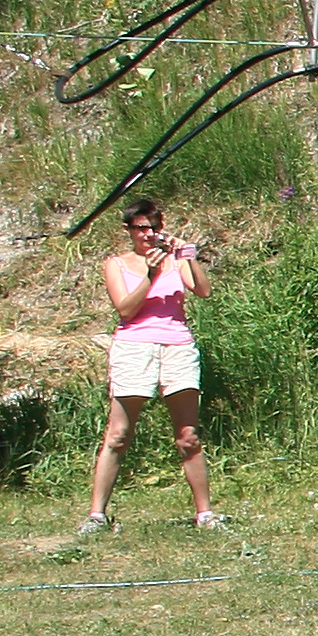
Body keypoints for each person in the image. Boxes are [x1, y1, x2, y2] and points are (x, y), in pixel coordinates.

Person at [84, 199, 219, 532]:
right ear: (130, 231)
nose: (149, 234)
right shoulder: (116, 264)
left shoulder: (174, 260)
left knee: (188, 436)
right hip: (134, 346)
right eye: (141, 228)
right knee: (118, 434)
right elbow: (126, 309)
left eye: (154, 227)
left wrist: (187, 258)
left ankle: (205, 514)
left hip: (177, 345)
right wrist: (151, 274)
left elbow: (203, 291)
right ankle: (97, 515)